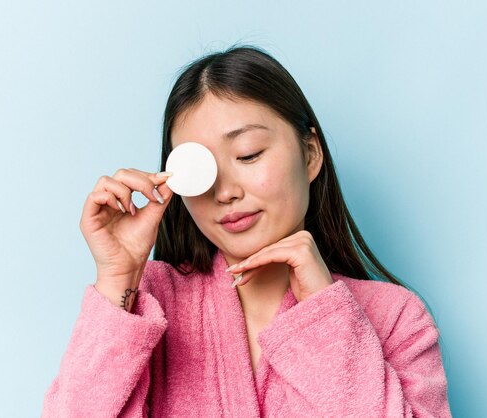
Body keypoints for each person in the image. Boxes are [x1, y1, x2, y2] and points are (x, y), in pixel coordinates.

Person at [41, 45, 452, 417]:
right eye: (200, 172)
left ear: (310, 155)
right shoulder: (149, 303)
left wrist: (323, 314)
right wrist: (117, 280)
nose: (226, 191)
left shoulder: (396, 319)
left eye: (248, 154)